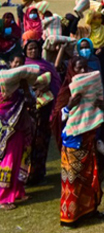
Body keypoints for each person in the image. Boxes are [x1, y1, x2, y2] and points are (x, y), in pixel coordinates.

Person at [58, 58, 104, 227]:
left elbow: (100, 111)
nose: (83, 71)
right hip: (73, 143)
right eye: (79, 68)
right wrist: (69, 107)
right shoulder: (66, 91)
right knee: (72, 180)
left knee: (90, 177)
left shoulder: (92, 87)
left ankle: (90, 210)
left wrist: (102, 105)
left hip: (89, 140)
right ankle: (70, 216)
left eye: (85, 67)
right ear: (72, 70)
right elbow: (56, 118)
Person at [23, 40, 60, 185]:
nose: (33, 51)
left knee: (42, 142)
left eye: (35, 48)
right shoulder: (22, 66)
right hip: (29, 112)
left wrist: (46, 88)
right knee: (28, 143)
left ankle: (38, 174)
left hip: (45, 109)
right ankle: (25, 176)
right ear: (25, 50)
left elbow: (56, 83)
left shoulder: (46, 65)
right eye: (30, 49)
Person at [0, 64, 34, 211]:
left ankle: (18, 191)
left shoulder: (18, 94)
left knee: (21, 159)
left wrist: (25, 86)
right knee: (9, 161)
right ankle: (3, 197)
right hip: (7, 133)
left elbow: (31, 101)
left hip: (20, 130)